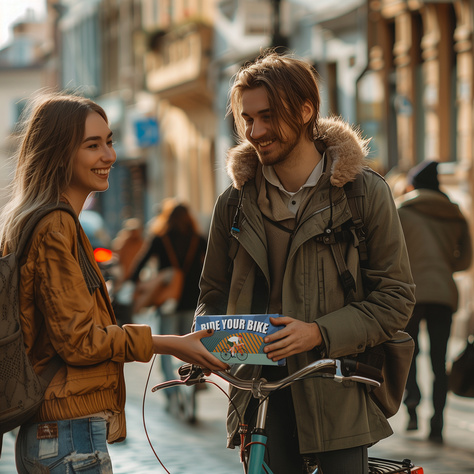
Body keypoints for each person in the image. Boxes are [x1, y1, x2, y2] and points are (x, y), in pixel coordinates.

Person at [194, 49, 415, 474]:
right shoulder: (234, 204)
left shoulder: (363, 194)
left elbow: (395, 300)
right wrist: (210, 342)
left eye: (267, 117)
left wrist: (317, 333)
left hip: (337, 388)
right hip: (259, 396)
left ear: (305, 110)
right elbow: (212, 295)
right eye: (247, 119)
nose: (254, 131)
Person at [0, 91, 227, 474]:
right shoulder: (54, 226)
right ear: (58, 152)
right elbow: (80, 341)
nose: (109, 156)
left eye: (109, 142)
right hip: (67, 436)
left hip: (61, 434)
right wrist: (168, 343)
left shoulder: (51, 221)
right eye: (93, 145)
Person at [397, 160, 472, 443]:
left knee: (407, 352)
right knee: (439, 361)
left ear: (414, 185)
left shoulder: (401, 211)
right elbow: (464, 261)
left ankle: (413, 405)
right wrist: (442, 266)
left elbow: (389, 254)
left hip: (410, 294)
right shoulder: (455, 214)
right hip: (443, 294)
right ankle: (438, 421)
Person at [128, 198, 208, 416]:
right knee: (193, 347)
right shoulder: (198, 239)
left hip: (167, 303)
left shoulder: (159, 239)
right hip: (193, 302)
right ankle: (193, 390)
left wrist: (134, 286)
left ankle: (172, 397)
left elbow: (139, 265)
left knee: (165, 349)